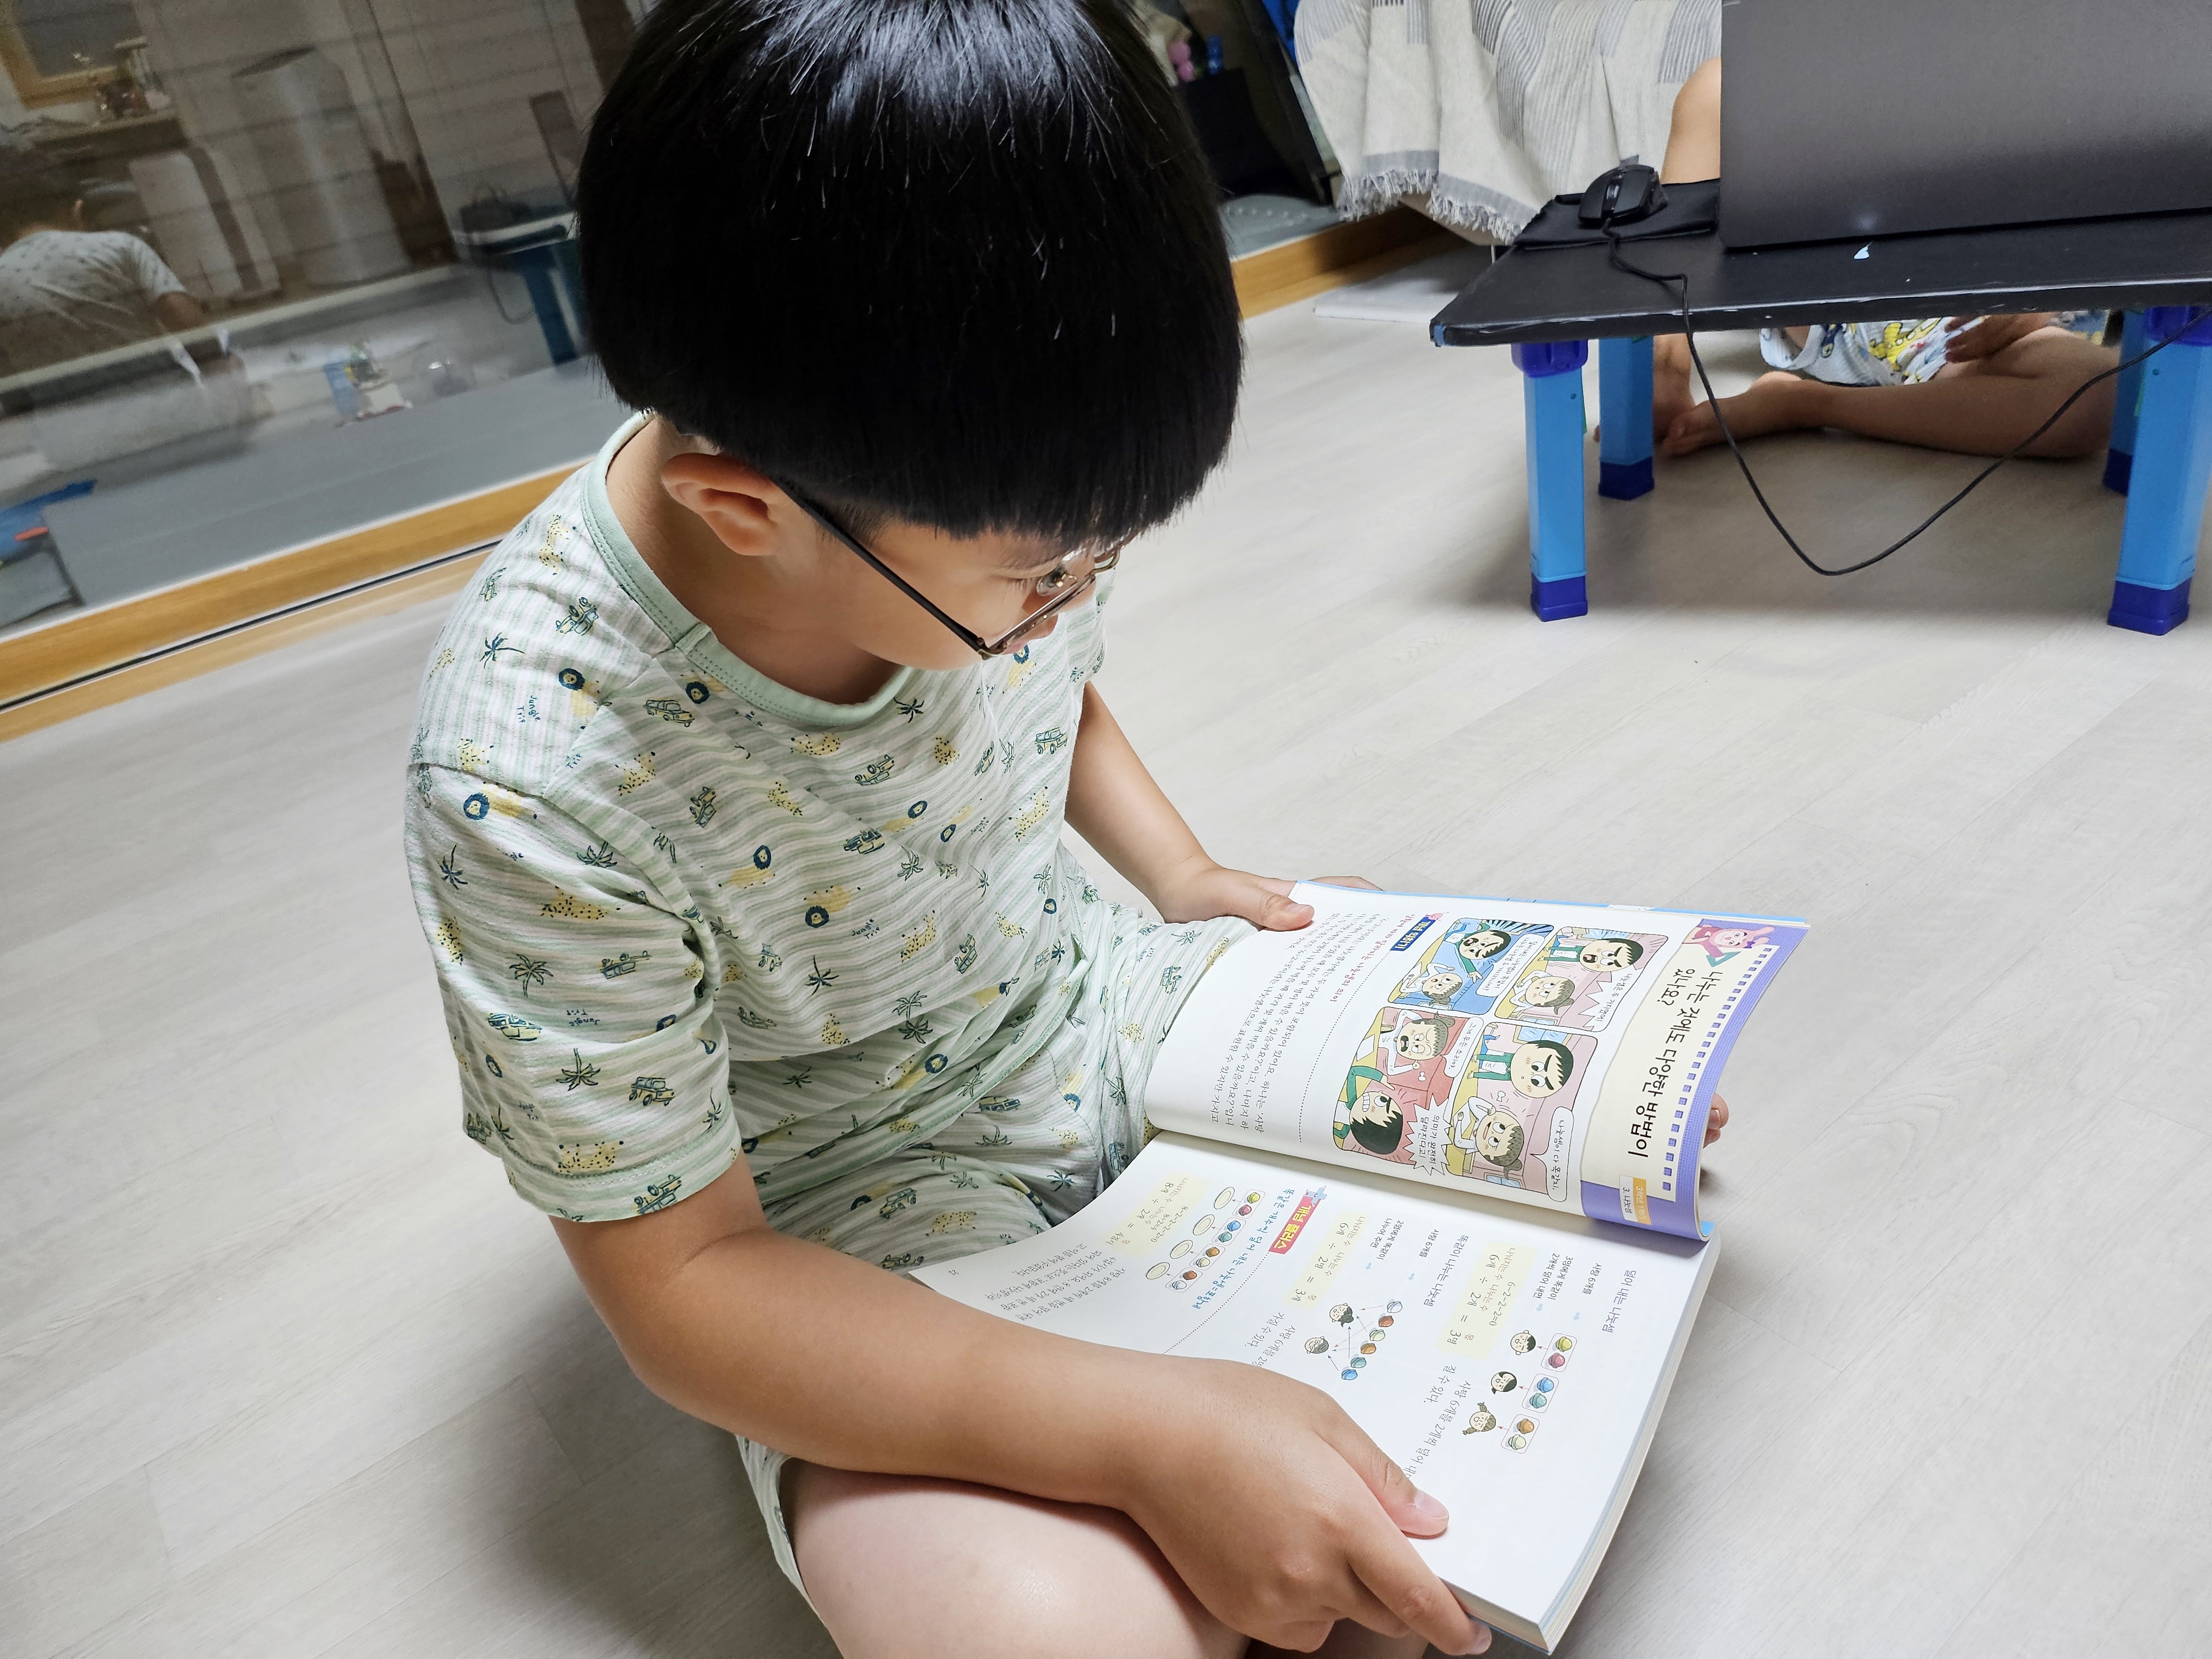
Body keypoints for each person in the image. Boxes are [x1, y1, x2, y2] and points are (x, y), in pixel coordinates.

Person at [401, 4, 1525, 1656]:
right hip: (858, 1199)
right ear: (743, 508)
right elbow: (686, 1287)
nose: (1076, 595)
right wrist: (1143, 1433)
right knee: (1053, 1631)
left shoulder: (953, 519)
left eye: (1105, 554)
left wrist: (1179, 875)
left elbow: (1043, 688)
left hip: (1095, 998)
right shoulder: (529, 777)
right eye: (1045, 571)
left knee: (1550, 1094)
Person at [1648, 59, 2118, 461]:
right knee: (1719, 85)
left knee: (2093, 393)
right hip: (1842, 271)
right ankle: (1665, 367)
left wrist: (2048, 294)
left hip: (1983, 325)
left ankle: (1804, 403)